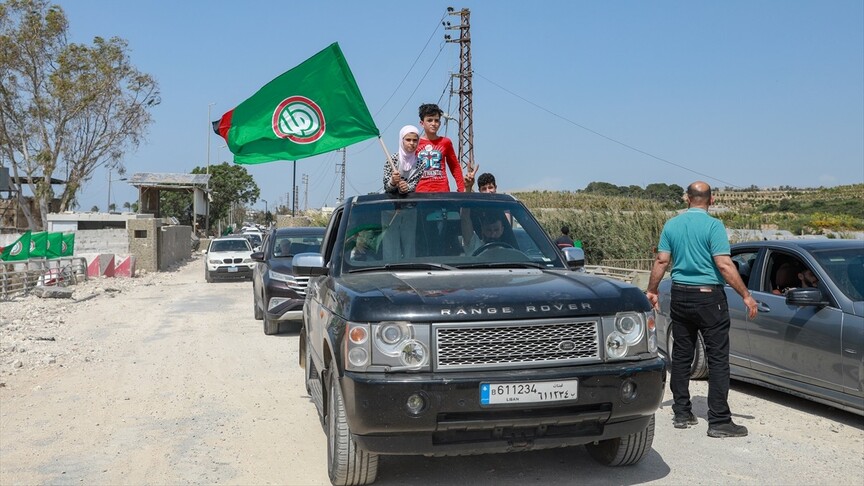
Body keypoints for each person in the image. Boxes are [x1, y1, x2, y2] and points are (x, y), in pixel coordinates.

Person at [645, 181, 758, 438]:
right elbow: (724, 265)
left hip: (680, 294)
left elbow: (662, 260)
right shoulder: (714, 226)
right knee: (718, 358)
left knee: (682, 356)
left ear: (687, 198)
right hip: (709, 298)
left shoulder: (672, 225)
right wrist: (746, 295)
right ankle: (719, 421)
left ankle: (682, 413)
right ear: (712, 200)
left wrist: (652, 290)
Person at [415, 103, 465, 193]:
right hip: (420, 192)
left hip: (442, 192)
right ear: (422, 123)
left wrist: (462, 190)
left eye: (436, 120)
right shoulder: (415, 142)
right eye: (429, 120)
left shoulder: (445, 142)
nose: (433, 124)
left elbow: (455, 167)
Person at [383, 125, 422, 194]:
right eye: (408, 140)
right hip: (390, 200)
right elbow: (387, 187)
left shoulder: (420, 163)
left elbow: (414, 185)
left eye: (415, 140)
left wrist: (406, 187)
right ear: (402, 140)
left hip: (410, 201)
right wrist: (393, 182)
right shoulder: (392, 159)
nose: (411, 143)